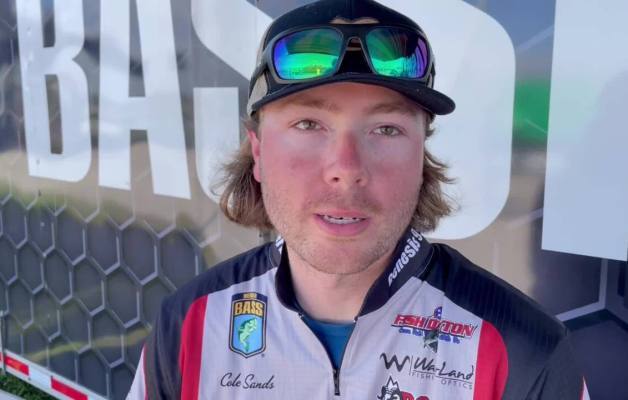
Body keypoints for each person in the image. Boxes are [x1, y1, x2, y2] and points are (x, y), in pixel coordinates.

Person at [128, 0, 589, 398]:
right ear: (259, 153)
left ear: (421, 158)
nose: (346, 168)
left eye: (386, 129)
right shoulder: (188, 324)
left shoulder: (525, 349)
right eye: (308, 124)